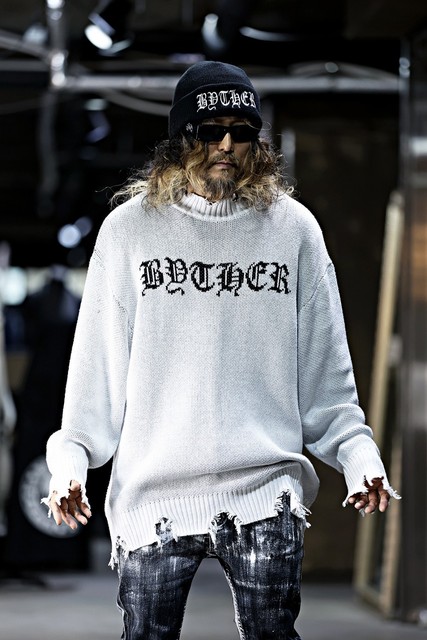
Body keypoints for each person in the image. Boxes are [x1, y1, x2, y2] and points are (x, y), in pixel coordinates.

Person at [43, 61, 399, 639]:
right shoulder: (129, 232)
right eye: (210, 131)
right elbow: (95, 378)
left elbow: (326, 379)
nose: (227, 145)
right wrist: (71, 463)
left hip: (265, 489)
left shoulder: (294, 231)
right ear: (179, 138)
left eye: (242, 132)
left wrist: (358, 456)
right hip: (154, 494)